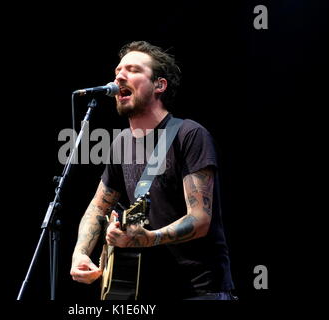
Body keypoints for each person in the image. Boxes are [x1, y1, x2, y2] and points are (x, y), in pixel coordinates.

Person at [70, 40, 236, 300]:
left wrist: (149, 238)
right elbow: (98, 207)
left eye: (133, 70)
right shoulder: (121, 143)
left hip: (199, 290)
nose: (120, 76)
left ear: (159, 85)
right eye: (117, 71)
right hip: (145, 290)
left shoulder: (189, 134)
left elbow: (201, 219)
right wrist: (80, 253)